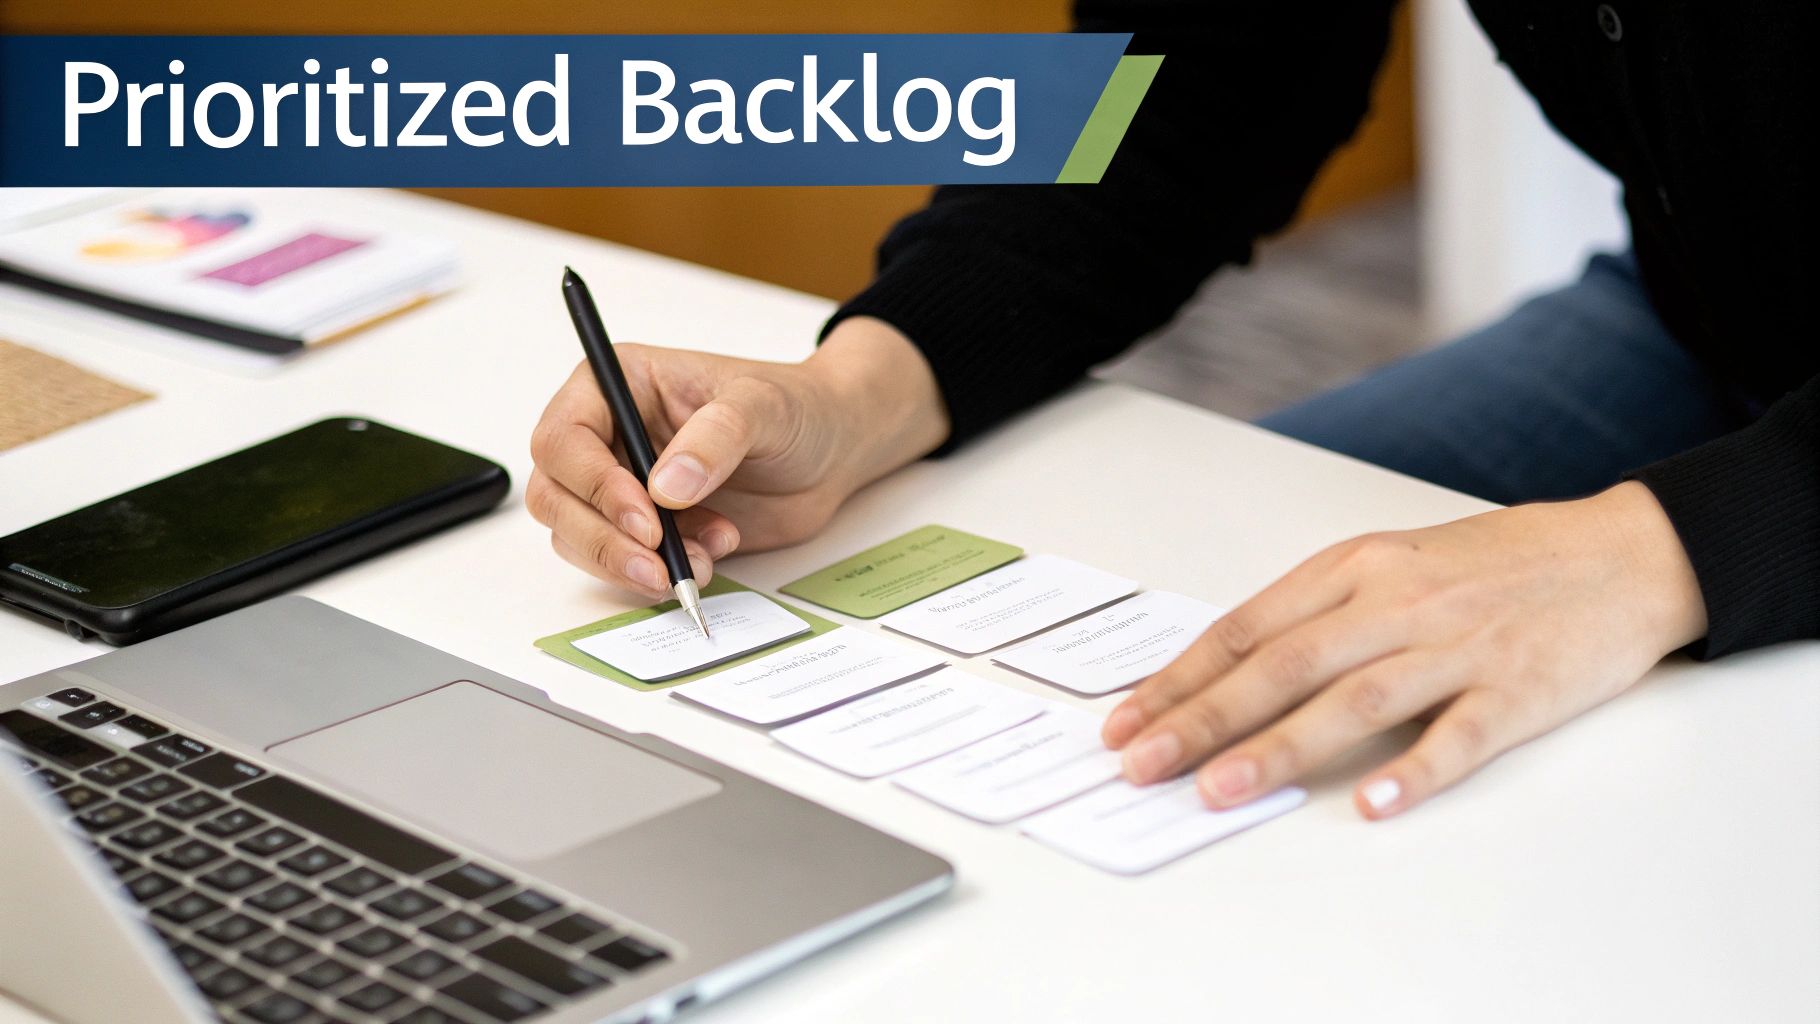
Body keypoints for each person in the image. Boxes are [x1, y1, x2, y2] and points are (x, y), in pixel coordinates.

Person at [527, 1, 1817, 820]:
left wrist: (1676, 548)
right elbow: (1196, 76)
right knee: (1190, 640)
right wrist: (863, 389)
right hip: (1706, 308)